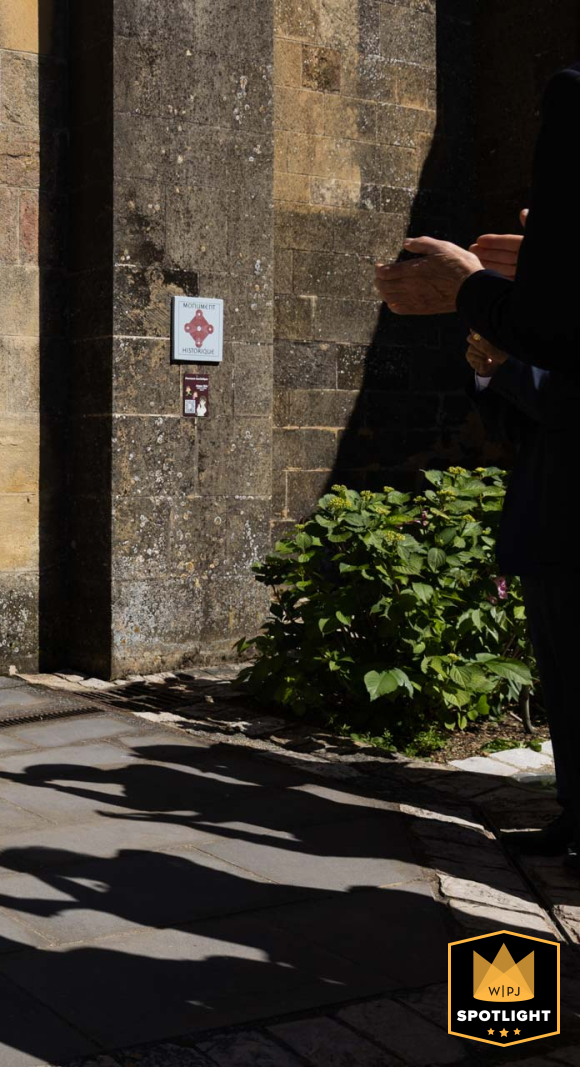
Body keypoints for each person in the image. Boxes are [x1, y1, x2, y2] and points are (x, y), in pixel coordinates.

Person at [376, 57, 580, 866]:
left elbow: (565, 389)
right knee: (564, 686)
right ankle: (574, 810)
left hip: (569, 518)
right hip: (547, 517)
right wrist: (493, 364)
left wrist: (478, 295)